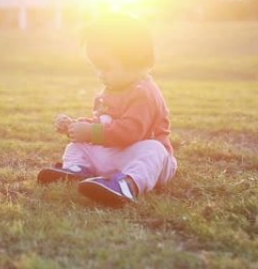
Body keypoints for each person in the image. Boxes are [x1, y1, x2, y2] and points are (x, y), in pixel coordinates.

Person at [37, 13, 177, 207]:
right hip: (116, 153)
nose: (100, 74)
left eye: (105, 67)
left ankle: (127, 186)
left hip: (145, 160)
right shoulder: (109, 90)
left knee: (153, 150)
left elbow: (130, 133)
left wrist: (90, 132)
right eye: (96, 67)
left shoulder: (143, 93)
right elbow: (102, 123)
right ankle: (78, 171)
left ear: (134, 62)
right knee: (77, 146)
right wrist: (78, 126)